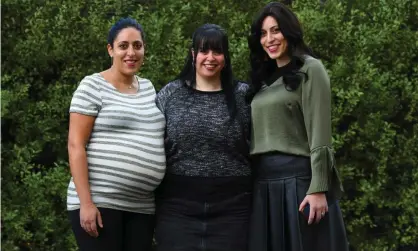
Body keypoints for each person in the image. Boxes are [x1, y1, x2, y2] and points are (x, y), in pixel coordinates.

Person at [247, 2, 349, 251]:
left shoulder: (311, 69)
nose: (269, 39)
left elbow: (320, 132)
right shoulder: (261, 81)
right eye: (263, 33)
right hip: (264, 187)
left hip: (300, 184)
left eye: (276, 31)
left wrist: (319, 188)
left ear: (289, 32)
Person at [66, 17, 165, 251]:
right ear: (111, 50)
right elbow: (75, 145)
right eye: (123, 46)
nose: (131, 52)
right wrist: (86, 204)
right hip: (100, 204)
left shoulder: (149, 88)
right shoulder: (92, 86)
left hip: (142, 208)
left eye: (137, 46)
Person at [154, 23, 252, 251]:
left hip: (234, 209)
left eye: (217, 51)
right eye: (204, 51)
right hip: (177, 207)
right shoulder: (170, 94)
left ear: (225, 57)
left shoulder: (244, 97)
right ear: (192, 55)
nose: (210, 58)